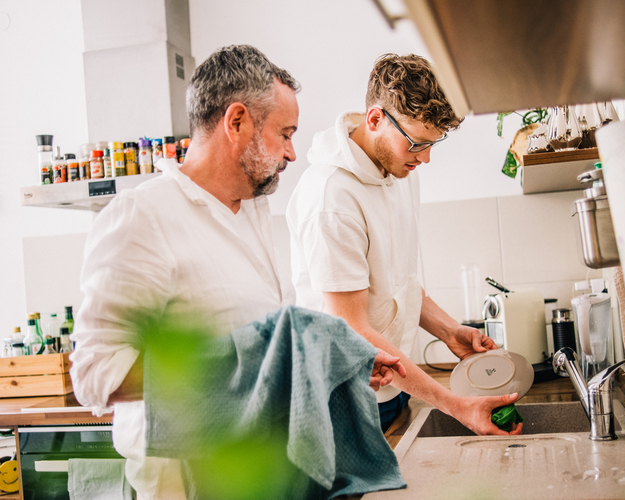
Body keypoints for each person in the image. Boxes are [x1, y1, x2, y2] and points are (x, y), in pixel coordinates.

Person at [70, 45, 404, 500]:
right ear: (237, 121)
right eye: (285, 133)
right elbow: (94, 375)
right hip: (185, 483)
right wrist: (243, 366)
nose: (291, 153)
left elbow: (264, 344)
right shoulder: (141, 218)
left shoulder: (252, 212)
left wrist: (323, 362)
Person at [287, 54, 524, 436]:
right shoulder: (331, 196)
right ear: (376, 119)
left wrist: (450, 332)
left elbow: (398, 286)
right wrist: (456, 406)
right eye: (416, 144)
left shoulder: (400, 173)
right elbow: (353, 327)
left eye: (434, 143)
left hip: (392, 388)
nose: (426, 158)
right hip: (338, 404)